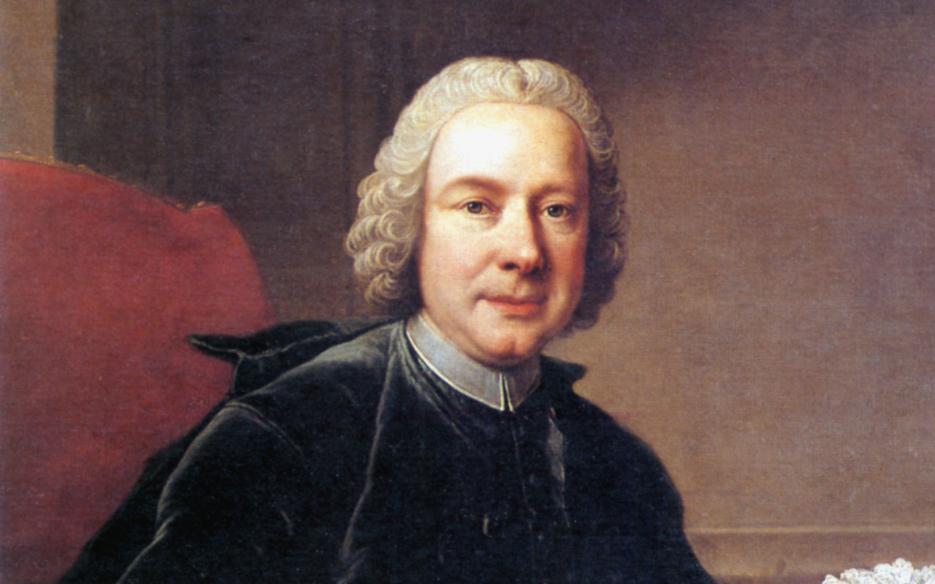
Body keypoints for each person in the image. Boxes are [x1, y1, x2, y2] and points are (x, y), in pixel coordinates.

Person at [112, 57, 716, 583]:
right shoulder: (285, 438)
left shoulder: (618, 464)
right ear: (413, 228)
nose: (525, 252)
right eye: (477, 206)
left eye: (557, 210)